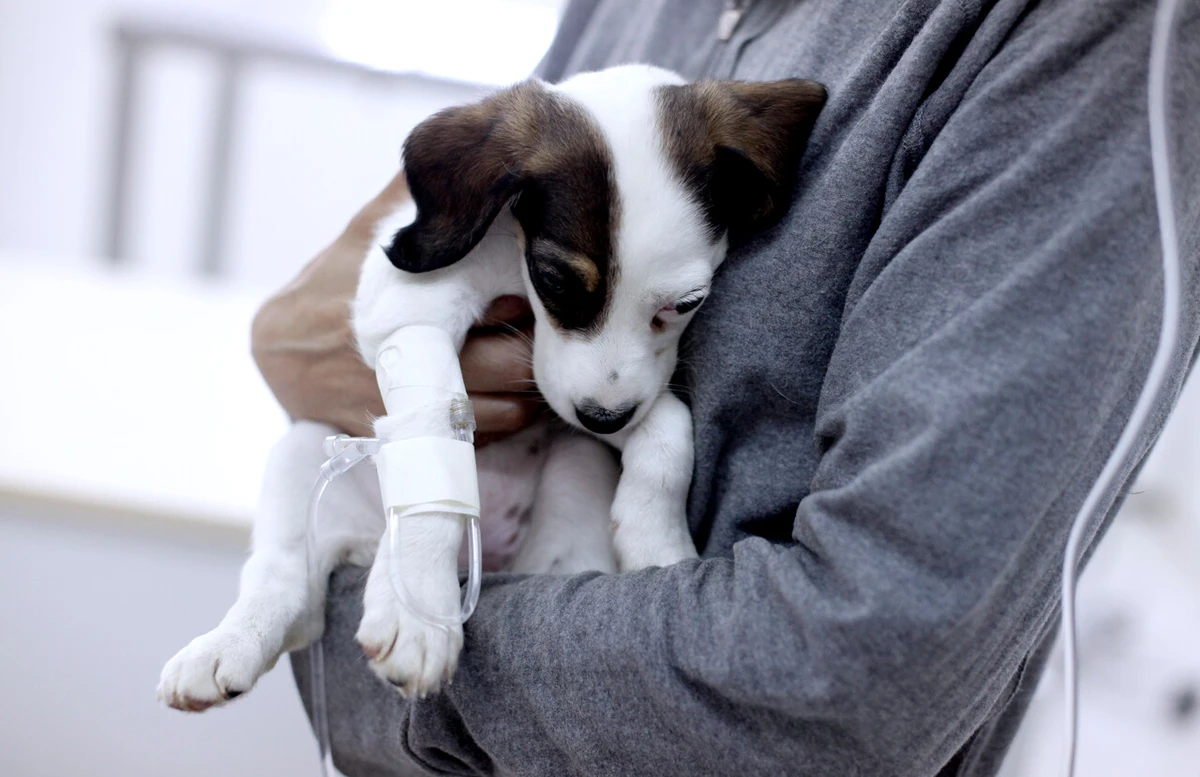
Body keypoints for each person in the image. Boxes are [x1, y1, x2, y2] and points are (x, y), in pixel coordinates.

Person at [252, 1, 1200, 775]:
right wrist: (315, 359)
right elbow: (395, 308)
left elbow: (849, 684)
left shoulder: (1088, 44)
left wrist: (356, 643)